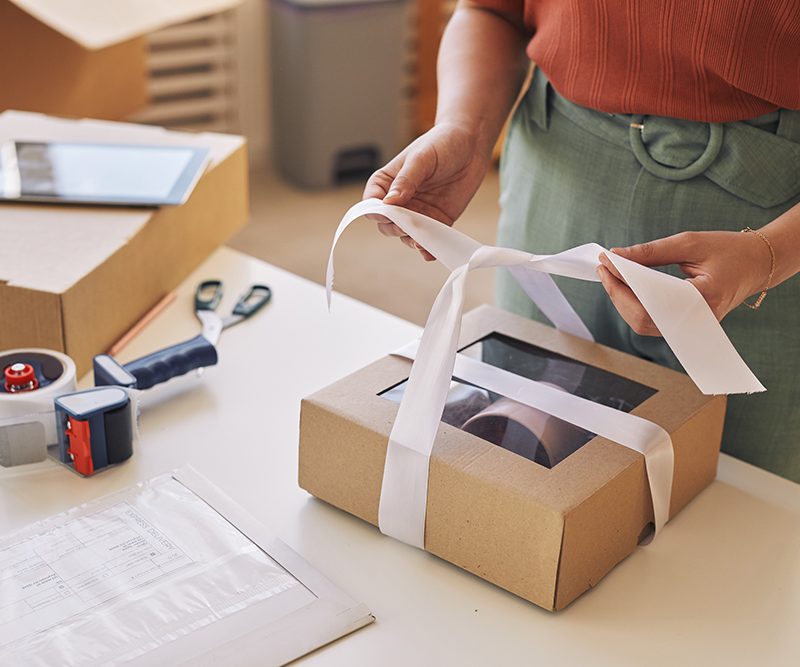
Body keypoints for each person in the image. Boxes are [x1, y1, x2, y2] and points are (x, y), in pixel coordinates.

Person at [363, 0, 800, 483]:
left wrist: (772, 253)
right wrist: (463, 125)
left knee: (744, 506)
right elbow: (490, 9)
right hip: (558, 176)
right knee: (511, 468)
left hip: (774, 223)